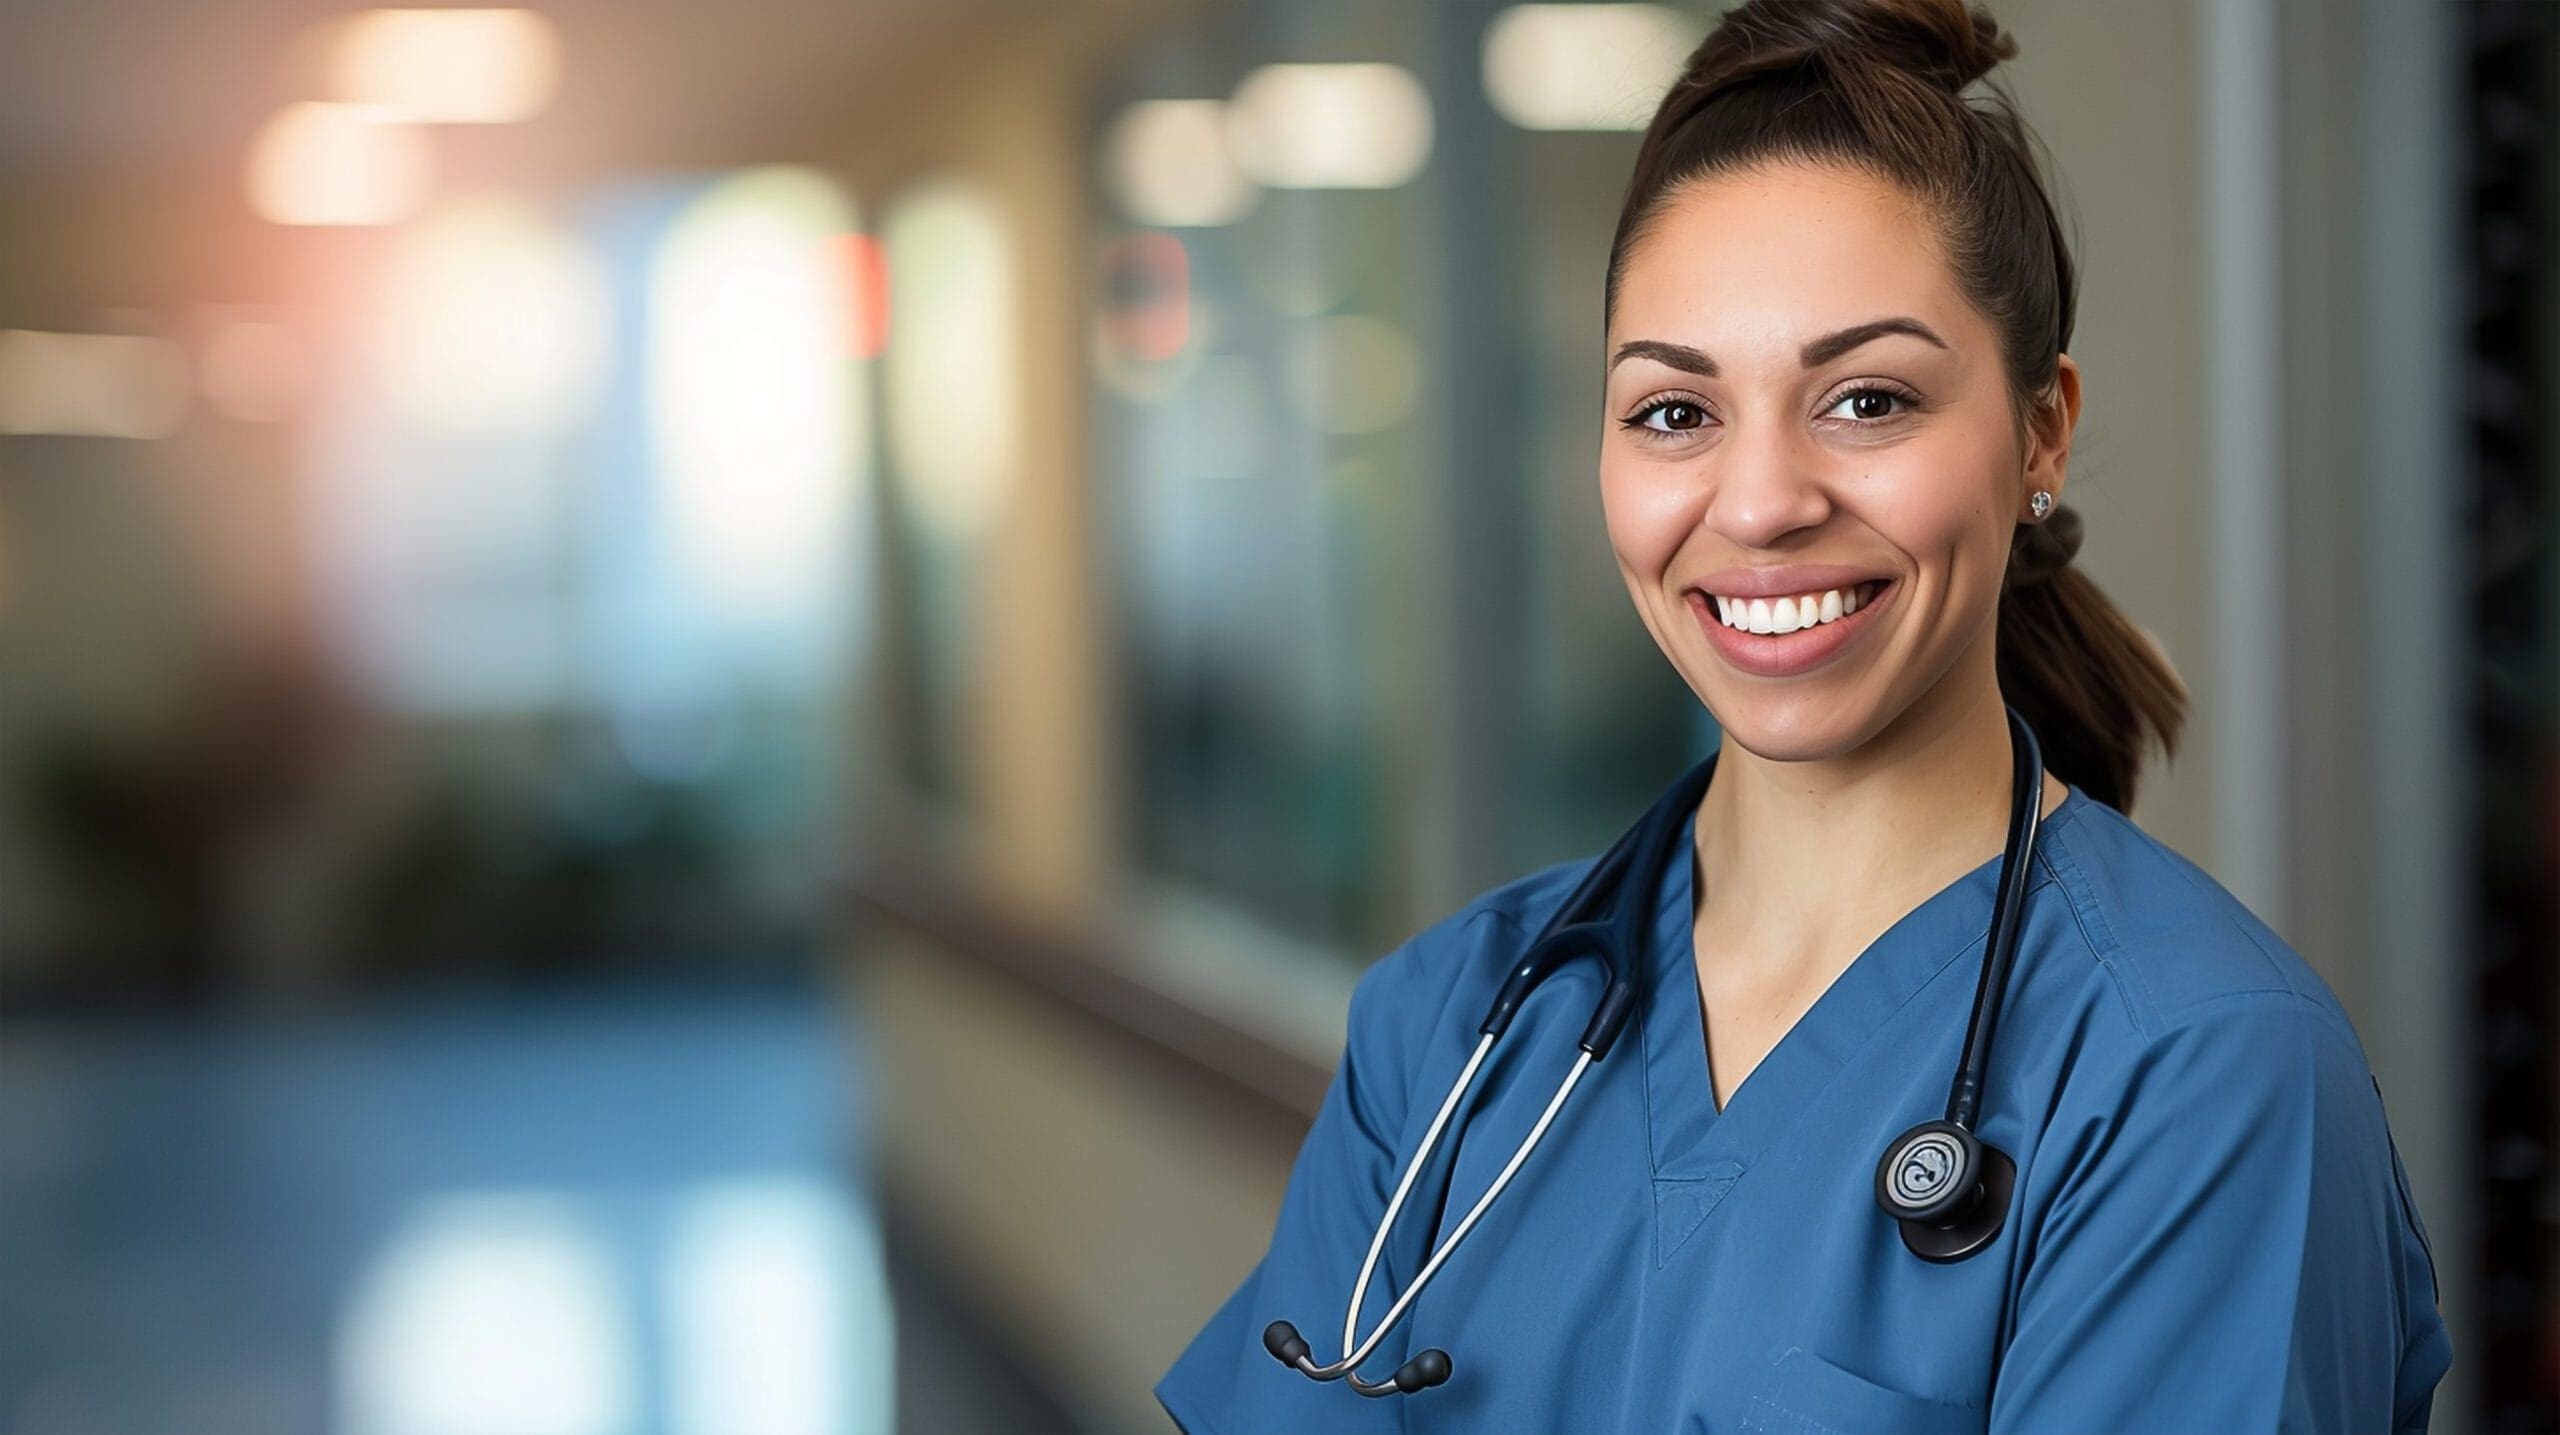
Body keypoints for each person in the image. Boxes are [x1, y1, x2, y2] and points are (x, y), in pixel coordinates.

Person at [1153, 0, 2454, 1430]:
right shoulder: (1456, 1027)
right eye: (1673, 412)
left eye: (1868, 400)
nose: (1762, 503)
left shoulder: (2198, 1073)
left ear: (2041, 431)